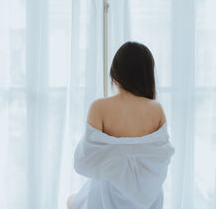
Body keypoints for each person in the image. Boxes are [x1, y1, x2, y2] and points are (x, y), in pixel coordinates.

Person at [68, 41, 174, 209]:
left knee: (72, 201)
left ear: (115, 73)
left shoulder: (99, 107)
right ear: (147, 75)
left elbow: (84, 160)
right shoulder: (156, 109)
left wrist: (114, 158)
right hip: (148, 198)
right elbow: (160, 159)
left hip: (105, 196)